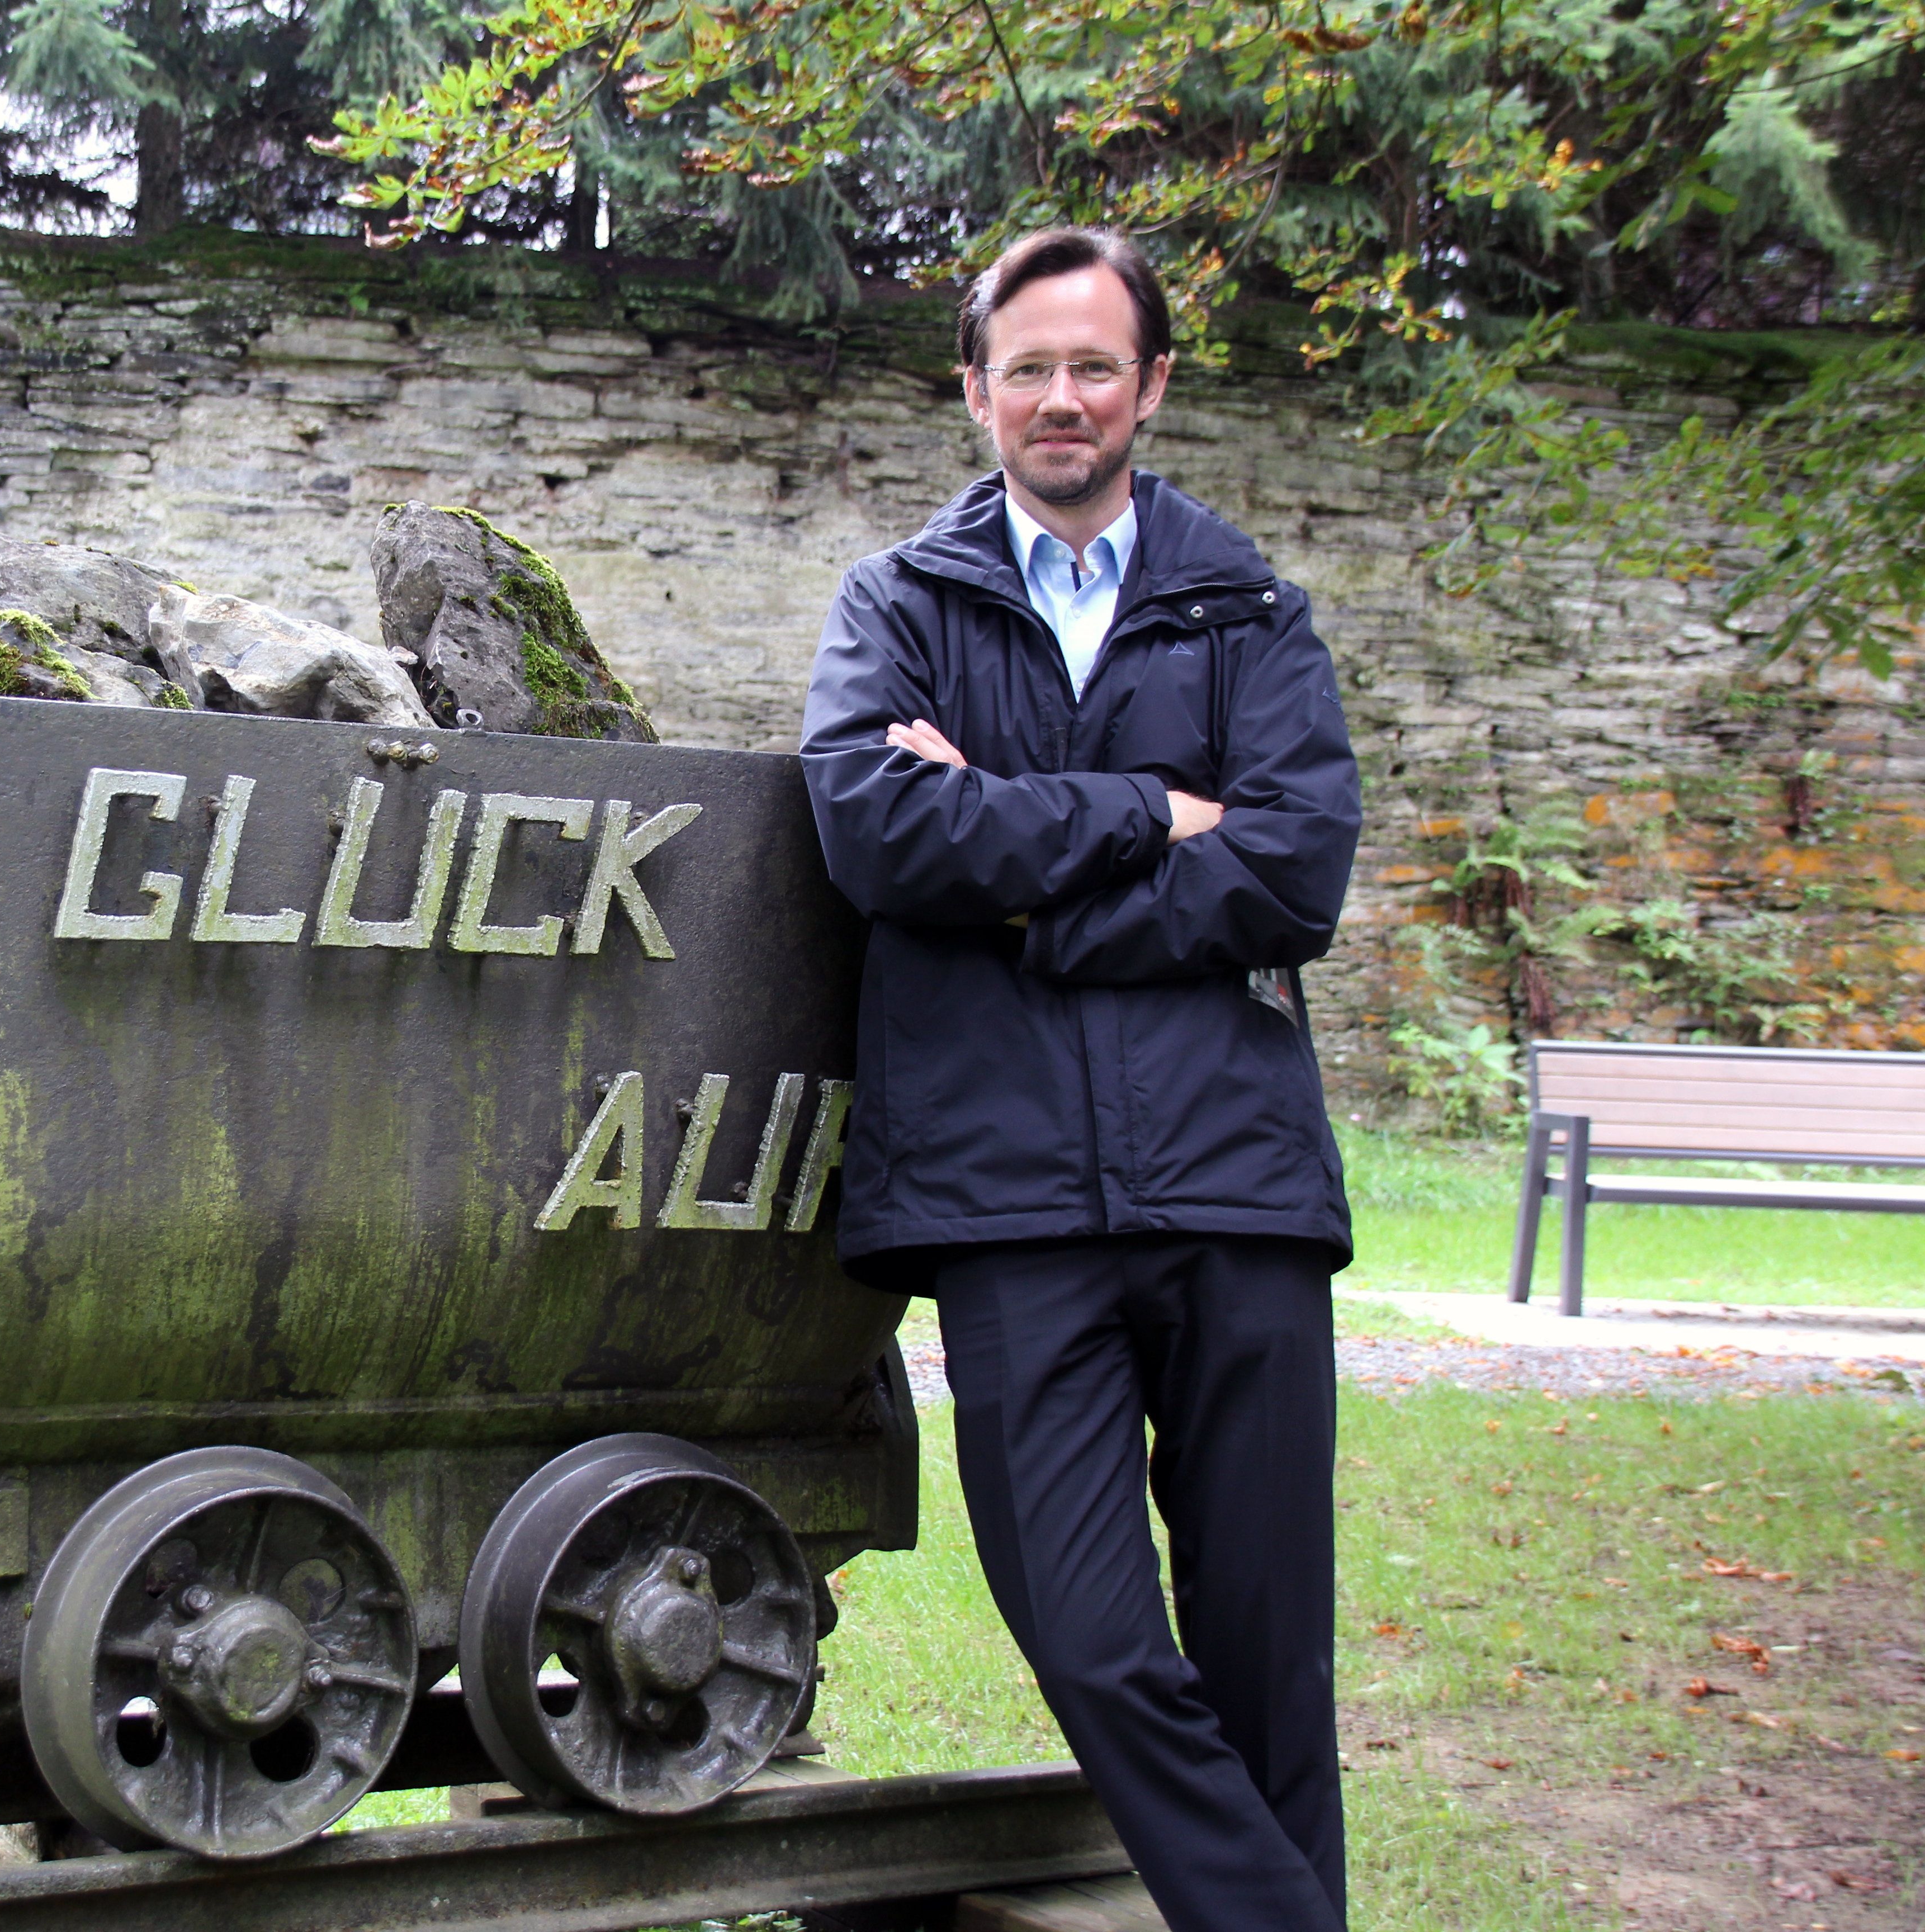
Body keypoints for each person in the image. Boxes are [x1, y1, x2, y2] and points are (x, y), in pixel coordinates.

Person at [798, 226, 1363, 1932]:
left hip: (1237, 1186)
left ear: (1153, 385)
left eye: (1095, 364)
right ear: (975, 390)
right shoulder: (897, 603)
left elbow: (1292, 873)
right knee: (1098, 1638)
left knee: (1270, 1654)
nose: (1062, 396)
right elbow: (880, 830)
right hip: (1006, 1195)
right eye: (1028, 367)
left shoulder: (1249, 608)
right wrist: (1142, 810)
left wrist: (1030, 896)